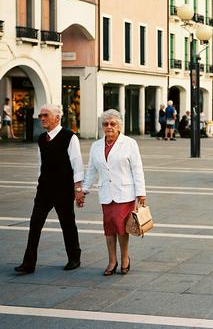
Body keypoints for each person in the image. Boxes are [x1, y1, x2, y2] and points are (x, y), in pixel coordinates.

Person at [15, 104, 84, 274]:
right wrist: (39, 182)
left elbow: (77, 164)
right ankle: (29, 263)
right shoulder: (41, 139)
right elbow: (41, 164)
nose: (42, 119)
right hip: (44, 189)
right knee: (35, 223)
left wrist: (78, 189)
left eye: (45, 115)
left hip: (64, 189)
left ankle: (74, 257)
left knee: (67, 224)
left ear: (57, 117)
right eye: (41, 116)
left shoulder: (69, 137)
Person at [76, 109, 146, 276]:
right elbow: (92, 170)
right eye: (105, 124)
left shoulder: (129, 143)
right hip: (106, 193)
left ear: (119, 125)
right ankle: (112, 260)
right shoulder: (96, 145)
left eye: (112, 124)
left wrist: (141, 193)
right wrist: (83, 190)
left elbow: (137, 169)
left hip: (125, 192)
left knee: (121, 227)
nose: (109, 127)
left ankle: (125, 258)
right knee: (109, 228)